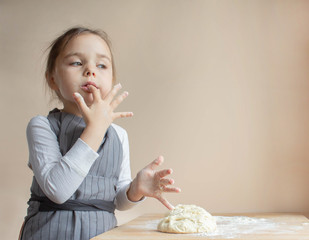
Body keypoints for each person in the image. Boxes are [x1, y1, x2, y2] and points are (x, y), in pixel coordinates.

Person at [20, 27, 181, 240]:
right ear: (52, 79)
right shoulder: (41, 126)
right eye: (77, 62)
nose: (90, 70)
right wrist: (95, 128)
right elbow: (57, 190)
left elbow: (116, 201)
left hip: (102, 233)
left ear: (112, 79)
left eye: (102, 65)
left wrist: (135, 189)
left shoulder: (118, 135)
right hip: (48, 232)